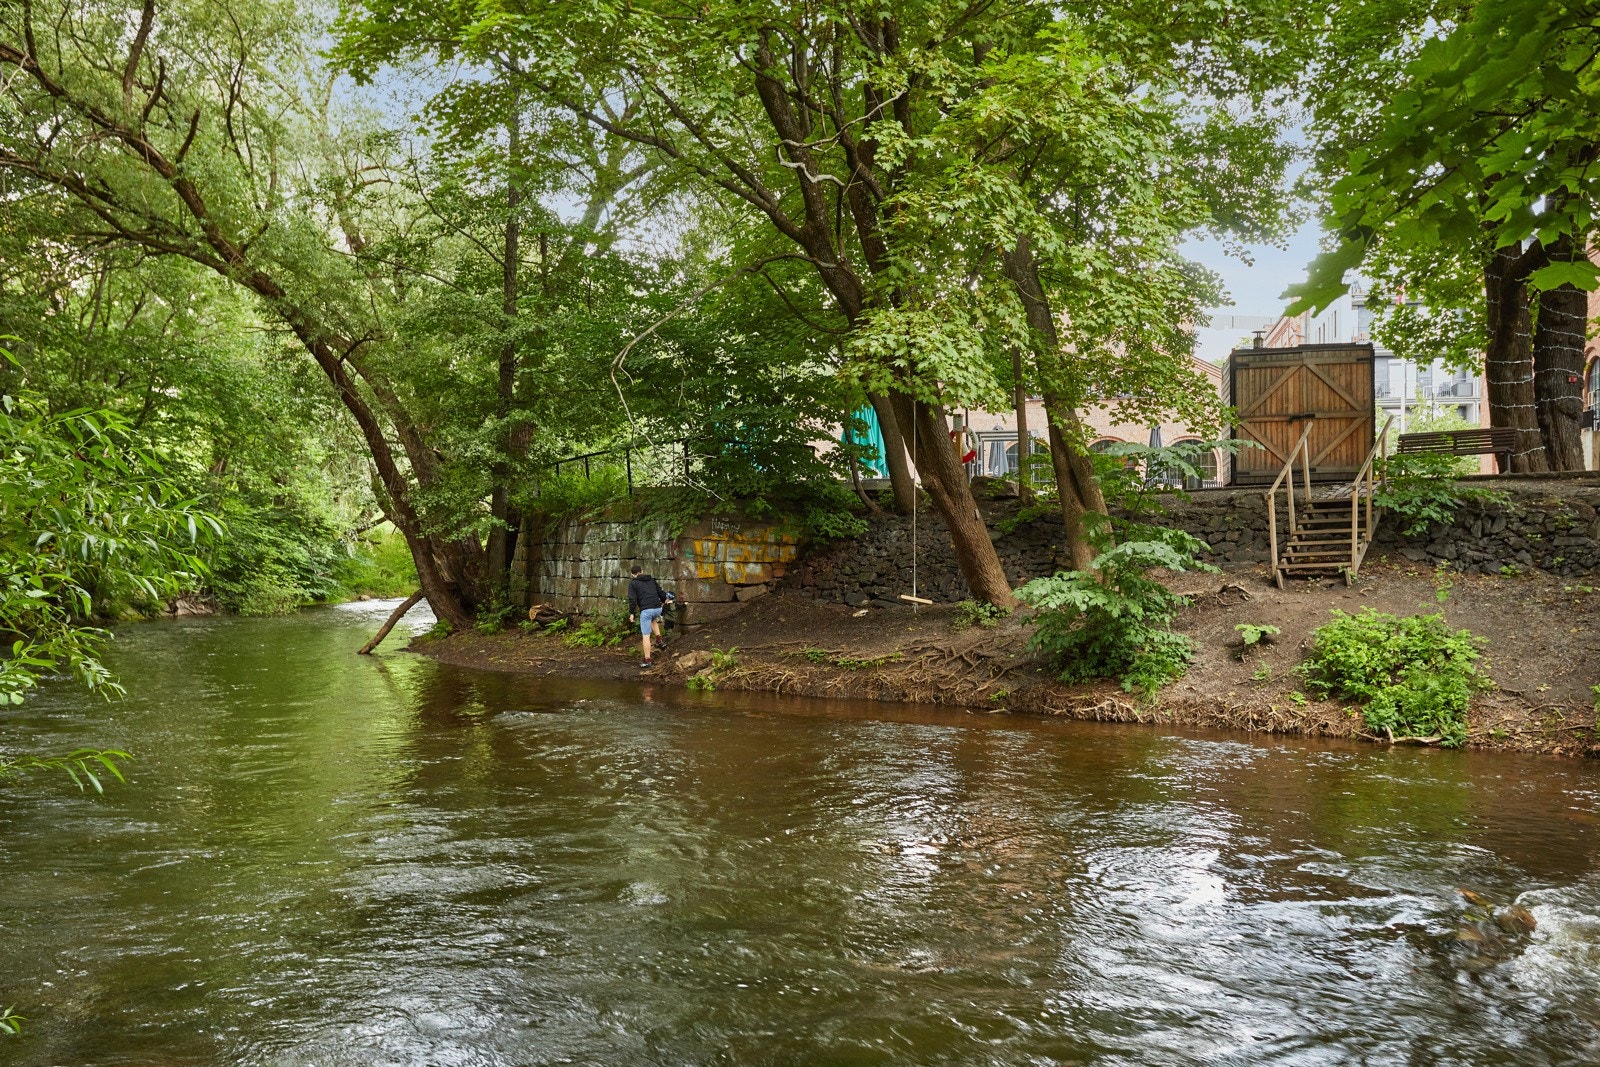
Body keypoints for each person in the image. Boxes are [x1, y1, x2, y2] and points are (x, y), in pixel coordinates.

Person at [626, 563, 672, 668]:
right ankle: (659, 641)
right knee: (652, 619)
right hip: (657, 609)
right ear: (642, 571)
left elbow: (632, 599)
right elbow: (660, 592)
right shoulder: (651, 580)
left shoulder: (633, 584)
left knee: (645, 636)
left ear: (633, 575)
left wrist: (632, 613)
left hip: (646, 611)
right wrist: (666, 599)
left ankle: (647, 661)